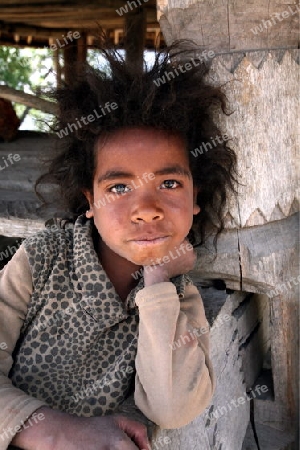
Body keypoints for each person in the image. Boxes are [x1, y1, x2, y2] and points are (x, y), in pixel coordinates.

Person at [0, 41, 237, 450]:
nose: (146, 209)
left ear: (196, 198)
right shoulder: (42, 259)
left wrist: (158, 279)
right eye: (119, 187)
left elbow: (173, 408)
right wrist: (52, 431)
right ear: (90, 200)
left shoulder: (179, 299)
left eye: (169, 183)